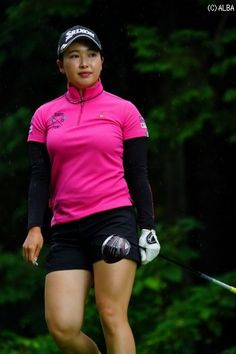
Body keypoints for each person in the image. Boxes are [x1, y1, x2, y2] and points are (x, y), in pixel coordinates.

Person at [22, 25, 160, 354]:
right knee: (62, 326)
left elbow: (138, 174)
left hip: (114, 221)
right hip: (67, 227)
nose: (84, 63)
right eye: (74, 55)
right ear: (61, 65)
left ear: (101, 62)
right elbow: (40, 177)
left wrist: (148, 226)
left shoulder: (123, 110)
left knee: (111, 314)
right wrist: (34, 226)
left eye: (91, 55)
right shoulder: (45, 115)